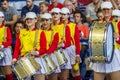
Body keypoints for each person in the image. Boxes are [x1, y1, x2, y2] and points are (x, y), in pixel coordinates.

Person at [89, 2, 120, 80]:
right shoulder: (97, 24)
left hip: (113, 54)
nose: (106, 11)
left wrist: (118, 38)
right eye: (104, 9)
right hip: (100, 53)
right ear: (102, 11)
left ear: (112, 10)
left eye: (108, 9)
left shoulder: (118, 23)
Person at [12, 12, 46, 80]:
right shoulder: (21, 32)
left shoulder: (40, 32)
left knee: (39, 78)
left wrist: (37, 52)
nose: (29, 20)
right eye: (27, 19)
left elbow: (44, 48)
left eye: (31, 19)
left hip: (37, 59)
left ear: (35, 20)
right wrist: (14, 58)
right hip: (24, 59)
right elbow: (17, 48)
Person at [60, 7, 82, 80]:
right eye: (61, 14)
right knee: (62, 73)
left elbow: (77, 41)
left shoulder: (73, 25)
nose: (62, 16)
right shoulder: (57, 25)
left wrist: (78, 54)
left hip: (71, 49)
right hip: (60, 49)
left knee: (75, 70)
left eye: (64, 14)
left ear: (68, 15)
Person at [50, 8, 71, 80]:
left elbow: (68, 42)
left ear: (60, 15)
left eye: (56, 13)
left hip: (62, 51)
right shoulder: (48, 27)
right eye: (53, 14)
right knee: (53, 77)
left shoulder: (65, 27)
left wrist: (61, 45)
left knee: (63, 77)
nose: (55, 15)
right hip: (51, 53)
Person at [41, 13, 61, 80]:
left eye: (47, 20)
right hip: (40, 56)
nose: (45, 22)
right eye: (43, 20)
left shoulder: (55, 32)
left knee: (53, 78)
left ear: (51, 21)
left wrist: (46, 53)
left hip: (50, 55)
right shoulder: (38, 32)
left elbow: (54, 45)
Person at [73, 9, 89, 79]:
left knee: (84, 61)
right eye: (75, 16)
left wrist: (81, 38)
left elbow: (87, 38)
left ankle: (81, 77)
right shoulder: (72, 26)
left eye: (77, 16)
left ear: (81, 18)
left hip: (83, 47)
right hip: (75, 47)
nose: (76, 18)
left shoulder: (85, 27)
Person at [0, 11, 13, 80]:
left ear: (3, 19)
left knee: (7, 71)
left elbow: (10, 41)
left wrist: (2, 46)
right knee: (3, 73)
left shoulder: (6, 29)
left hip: (4, 51)